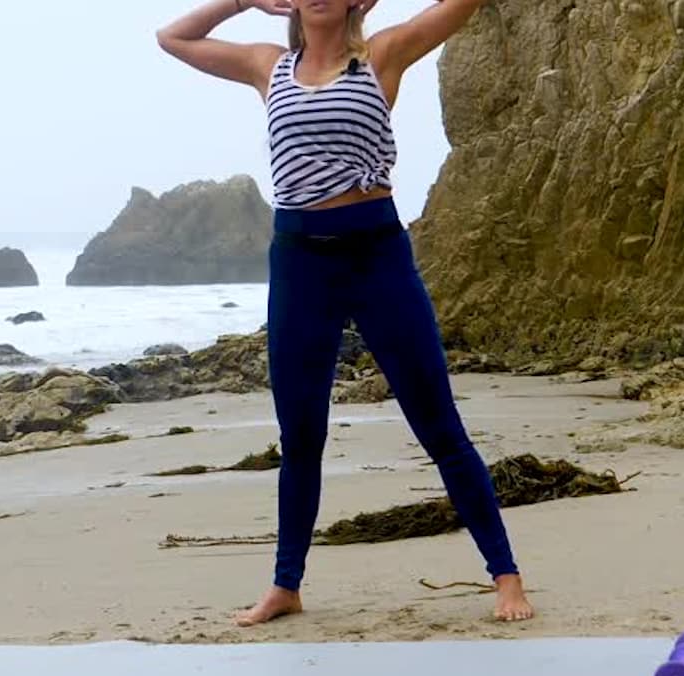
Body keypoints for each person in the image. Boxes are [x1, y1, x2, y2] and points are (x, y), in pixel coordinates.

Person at [155, 0, 533, 626]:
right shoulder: (268, 66)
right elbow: (172, 37)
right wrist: (246, 1)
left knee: (439, 425)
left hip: (377, 255)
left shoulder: (382, 55)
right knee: (301, 436)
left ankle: (507, 576)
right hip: (300, 264)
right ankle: (286, 585)